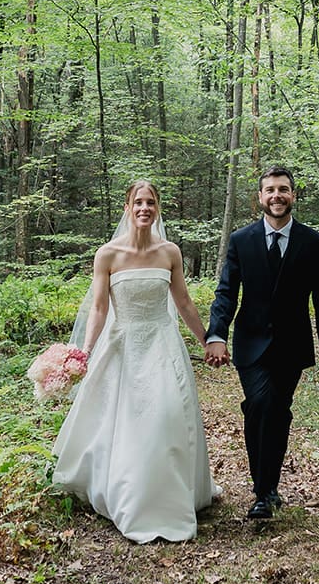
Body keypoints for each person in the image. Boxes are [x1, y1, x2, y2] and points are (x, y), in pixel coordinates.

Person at [52, 180, 222, 542]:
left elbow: (184, 303)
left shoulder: (169, 252)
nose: (145, 208)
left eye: (151, 202)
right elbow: (99, 308)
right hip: (124, 346)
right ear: (127, 208)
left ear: (157, 208)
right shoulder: (108, 255)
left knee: (166, 415)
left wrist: (208, 340)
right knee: (125, 421)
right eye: (138, 202)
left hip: (162, 345)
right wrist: (85, 350)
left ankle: (171, 493)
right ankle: (128, 494)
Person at [206, 166, 319, 520]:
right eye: (270, 190)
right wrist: (216, 334)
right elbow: (225, 293)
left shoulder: (313, 242)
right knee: (260, 404)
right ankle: (264, 492)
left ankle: (268, 488)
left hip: (292, 345)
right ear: (260, 198)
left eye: (283, 189)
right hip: (251, 343)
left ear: (293, 195)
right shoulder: (241, 240)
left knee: (277, 412)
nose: (277, 195)